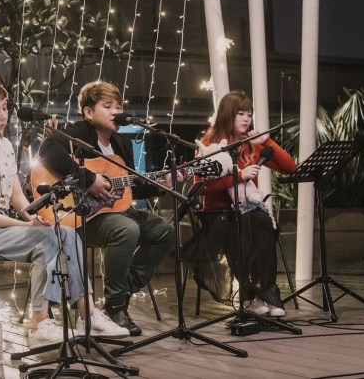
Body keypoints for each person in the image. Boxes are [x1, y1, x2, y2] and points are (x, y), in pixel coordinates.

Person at [0, 76, 129, 349]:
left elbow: (16, 196)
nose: (3, 116)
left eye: (5, 108)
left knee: (66, 233)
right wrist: (23, 226)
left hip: (1, 226)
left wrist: (32, 216)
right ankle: (40, 323)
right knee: (46, 240)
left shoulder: (3, 146)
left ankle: (88, 316)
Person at [38, 80, 177, 336]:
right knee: (127, 229)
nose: (116, 111)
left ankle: (120, 294)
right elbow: (48, 151)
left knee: (164, 231)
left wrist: (160, 184)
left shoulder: (122, 144)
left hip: (114, 212)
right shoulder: (77, 133)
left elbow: (128, 187)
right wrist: (88, 179)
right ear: (88, 112)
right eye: (108, 106)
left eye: (118, 106)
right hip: (80, 215)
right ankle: (115, 307)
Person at [190, 90, 296, 317]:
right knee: (243, 226)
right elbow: (202, 187)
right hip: (218, 214)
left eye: (249, 114)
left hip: (248, 210)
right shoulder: (208, 144)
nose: (247, 119)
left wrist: (266, 141)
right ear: (228, 114)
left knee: (262, 222)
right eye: (241, 114)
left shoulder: (251, 143)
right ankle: (250, 295)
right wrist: (239, 176)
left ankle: (267, 292)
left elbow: (290, 168)